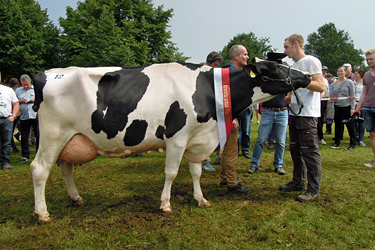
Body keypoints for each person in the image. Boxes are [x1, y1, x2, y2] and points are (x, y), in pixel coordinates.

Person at [280, 34, 325, 202]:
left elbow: (320, 86)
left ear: (296, 44)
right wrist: (290, 94)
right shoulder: (295, 65)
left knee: (310, 152)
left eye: (286, 47)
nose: (284, 50)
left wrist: (301, 81)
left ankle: (313, 189)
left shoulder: (311, 61)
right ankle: (298, 181)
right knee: (295, 150)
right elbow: (296, 85)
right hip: (295, 112)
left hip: (308, 114)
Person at [219, 44, 252, 193]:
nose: (247, 57)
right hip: (229, 118)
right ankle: (232, 183)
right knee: (231, 150)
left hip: (227, 117)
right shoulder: (230, 74)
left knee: (226, 150)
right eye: (245, 54)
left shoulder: (229, 71)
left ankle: (225, 177)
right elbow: (226, 97)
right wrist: (232, 118)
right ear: (236, 56)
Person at [201, 51, 223, 171]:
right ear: (209, 62)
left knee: (219, 131)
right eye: (215, 64)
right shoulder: (200, 71)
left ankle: (219, 156)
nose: (217, 67)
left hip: (214, 107)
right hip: (203, 109)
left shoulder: (214, 73)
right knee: (204, 135)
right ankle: (205, 160)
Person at [353, 49, 375, 167]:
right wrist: (358, 108)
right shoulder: (366, 75)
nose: (369, 61)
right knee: (372, 134)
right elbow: (364, 93)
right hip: (368, 108)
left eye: (371, 59)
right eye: (367, 59)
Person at [329, 66, 356, 150]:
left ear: (345, 72)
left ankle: (353, 143)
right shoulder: (334, 83)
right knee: (337, 124)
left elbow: (352, 95)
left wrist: (352, 107)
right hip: (337, 106)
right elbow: (332, 95)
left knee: (349, 125)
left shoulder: (349, 82)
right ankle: (337, 142)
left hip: (347, 106)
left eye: (342, 71)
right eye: (338, 71)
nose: (340, 73)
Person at [15, 74, 39, 162]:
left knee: (38, 135)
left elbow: (41, 99)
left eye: (27, 84)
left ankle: (38, 154)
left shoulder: (36, 89)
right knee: (24, 137)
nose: (25, 86)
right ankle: (25, 155)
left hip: (35, 115)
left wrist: (34, 100)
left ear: (30, 82)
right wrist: (21, 101)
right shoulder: (18, 91)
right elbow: (14, 101)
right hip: (24, 116)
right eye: (23, 84)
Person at [0, 72, 20, 170]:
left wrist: (13, 116)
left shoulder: (8, 90)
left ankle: (5, 163)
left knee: (6, 142)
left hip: (6, 119)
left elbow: (16, 103)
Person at [353, 68, 366, 146]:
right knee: (354, 122)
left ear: (360, 75)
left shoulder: (364, 84)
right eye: (354, 74)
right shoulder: (352, 83)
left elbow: (365, 94)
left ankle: (361, 139)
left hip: (363, 104)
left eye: (356, 74)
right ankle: (355, 137)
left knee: (362, 122)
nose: (354, 75)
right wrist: (355, 103)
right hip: (354, 103)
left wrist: (361, 104)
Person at [8, 78, 21, 153]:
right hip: (12, 115)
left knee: (10, 132)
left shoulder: (8, 90)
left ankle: (13, 147)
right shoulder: (12, 91)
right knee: (10, 132)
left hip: (11, 114)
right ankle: (13, 147)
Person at [317, 68, 330, 145]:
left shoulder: (325, 80)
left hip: (323, 101)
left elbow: (327, 91)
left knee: (321, 119)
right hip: (314, 102)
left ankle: (321, 136)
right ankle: (318, 136)